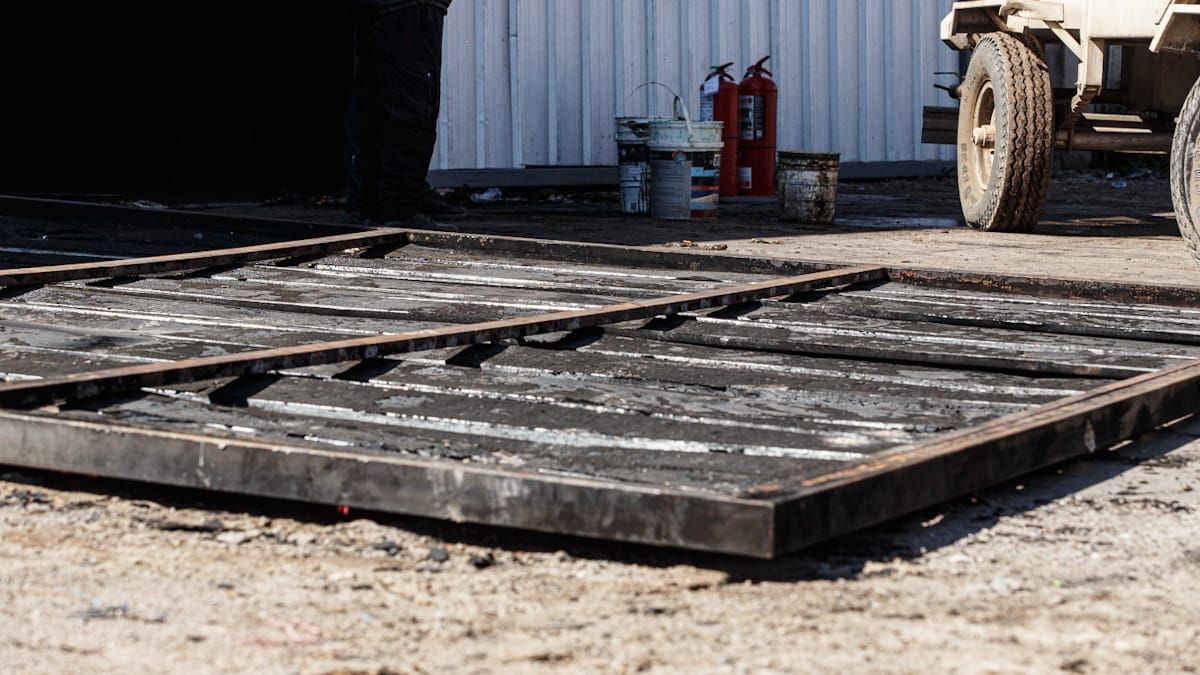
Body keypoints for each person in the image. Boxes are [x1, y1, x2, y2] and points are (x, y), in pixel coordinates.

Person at [348, 0, 466, 226]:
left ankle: (372, 203)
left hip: (382, 9)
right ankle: (397, 207)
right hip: (410, 6)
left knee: (375, 98)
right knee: (413, 101)